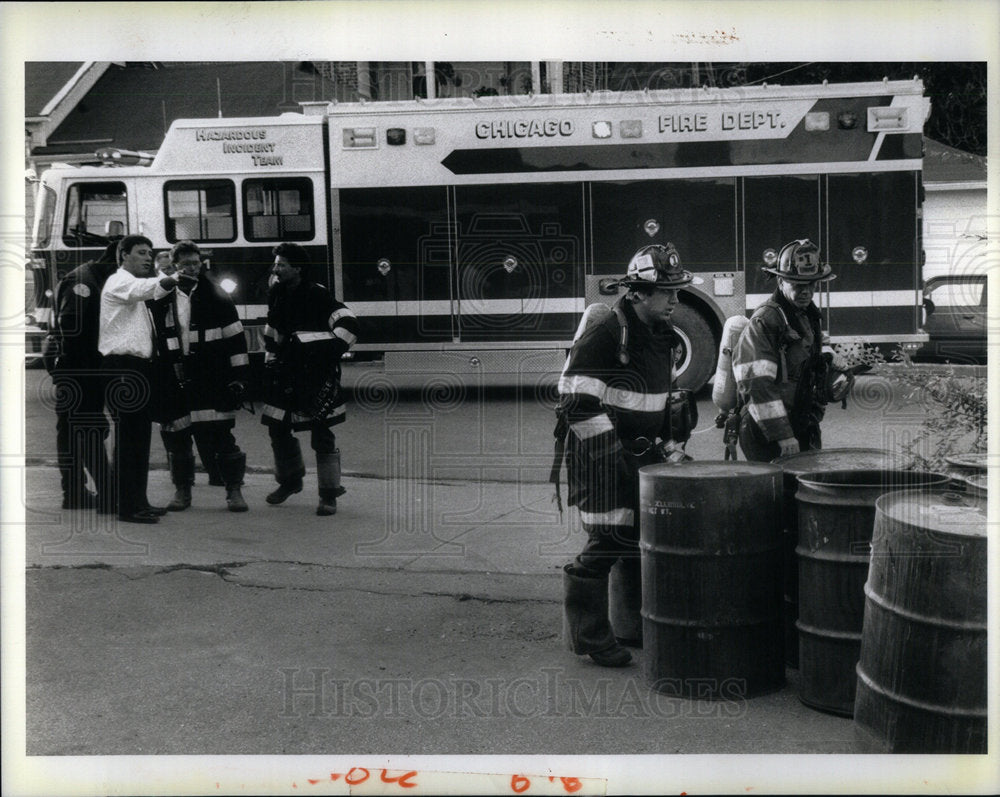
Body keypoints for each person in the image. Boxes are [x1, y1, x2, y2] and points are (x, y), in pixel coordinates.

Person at [557, 244, 695, 667]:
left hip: (642, 456)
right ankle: (590, 637)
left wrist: (671, 450)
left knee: (638, 538)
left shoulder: (662, 336)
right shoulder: (606, 335)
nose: (675, 299)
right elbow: (575, 401)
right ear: (638, 292)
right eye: (665, 292)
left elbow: (662, 402)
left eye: (676, 291)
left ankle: (631, 626)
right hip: (600, 459)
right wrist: (613, 458)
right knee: (607, 541)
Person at [149, 241, 250, 513]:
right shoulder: (162, 295)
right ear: (175, 266)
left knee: (222, 438)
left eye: (196, 263)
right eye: (186, 264)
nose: (192, 268)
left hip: (211, 377)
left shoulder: (216, 294)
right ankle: (183, 492)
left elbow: (235, 337)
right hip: (174, 378)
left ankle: (234, 492)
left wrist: (239, 377)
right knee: (177, 439)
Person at [260, 242, 359, 516]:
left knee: (322, 434)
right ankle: (290, 482)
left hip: (314, 376)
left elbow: (348, 323)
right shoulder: (277, 293)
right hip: (284, 373)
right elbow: (274, 330)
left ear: (297, 268)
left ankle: (329, 495)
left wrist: (326, 351)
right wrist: (271, 360)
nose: (276, 269)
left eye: (282, 264)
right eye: (276, 264)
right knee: (277, 428)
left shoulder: (318, 294)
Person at [98, 234, 186, 523]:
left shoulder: (130, 285)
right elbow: (151, 288)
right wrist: (169, 276)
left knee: (139, 439)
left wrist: (165, 280)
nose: (148, 257)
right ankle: (128, 507)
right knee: (130, 441)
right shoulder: (120, 281)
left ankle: (138, 501)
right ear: (124, 255)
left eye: (150, 253)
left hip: (136, 369)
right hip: (123, 369)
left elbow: (155, 292)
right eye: (141, 252)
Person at [732, 238, 841, 461]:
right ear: (781, 281)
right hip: (766, 431)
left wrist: (831, 360)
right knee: (776, 493)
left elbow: (804, 356)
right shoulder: (766, 320)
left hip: (800, 423)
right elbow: (756, 383)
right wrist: (782, 436)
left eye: (812, 284)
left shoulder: (806, 314)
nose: (807, 291)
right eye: (798, 284)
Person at [49, 240, 119, 511]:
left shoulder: (92, 278)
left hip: (76, 368)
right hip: (78, 370)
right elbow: (71, 328)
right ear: (118, 259)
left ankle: (76, 492)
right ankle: (104, 492)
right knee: (87, 428)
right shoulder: (84, 282)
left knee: (73, 430)